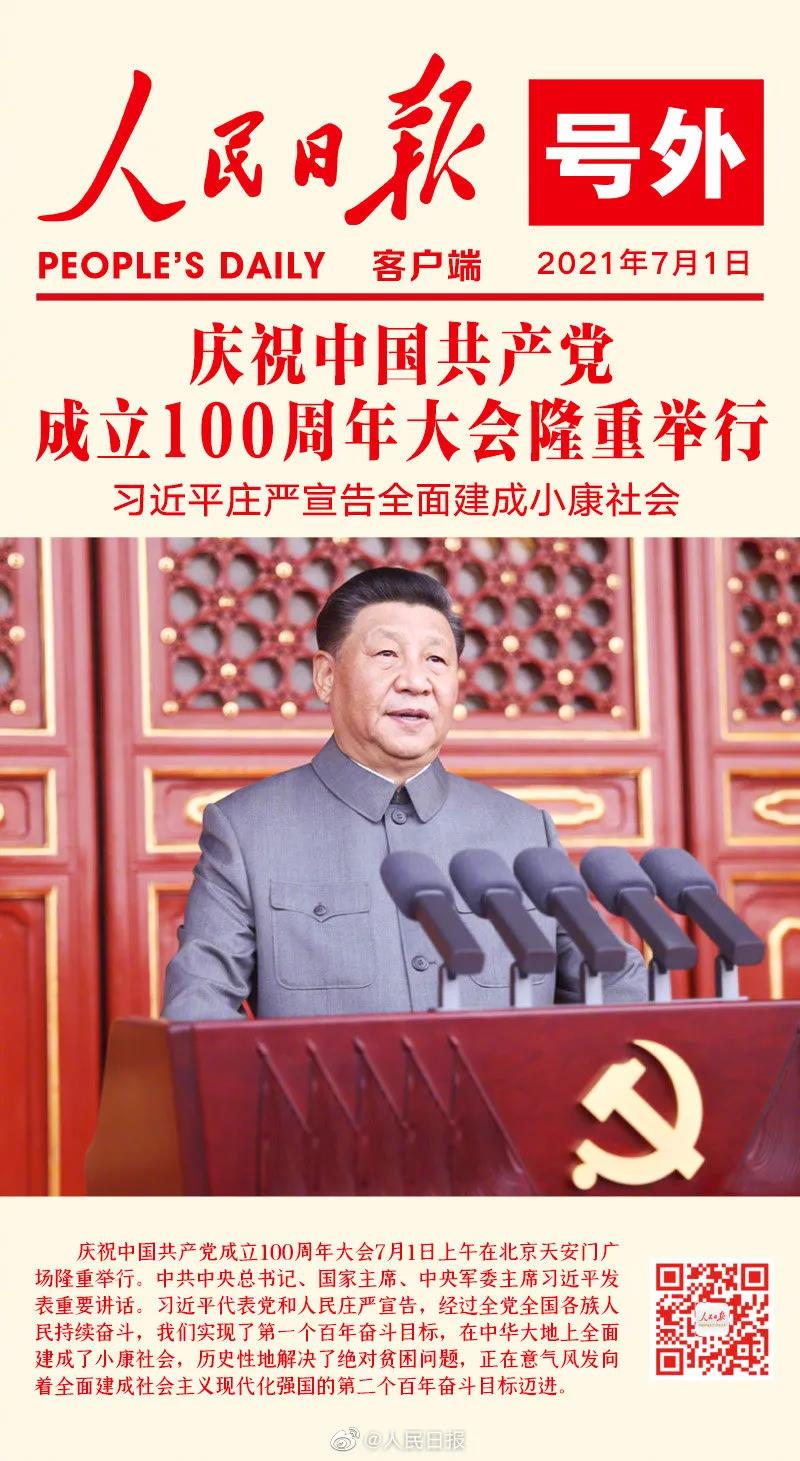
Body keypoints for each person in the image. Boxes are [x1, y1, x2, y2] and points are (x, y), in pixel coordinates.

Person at [161, 567, 646, 1019]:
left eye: (436, 660)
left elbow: (614, 982)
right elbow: (199, 1012)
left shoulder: (522, 832)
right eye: (387, 655)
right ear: (326, 677)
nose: (416, 682)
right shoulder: (248, 831)